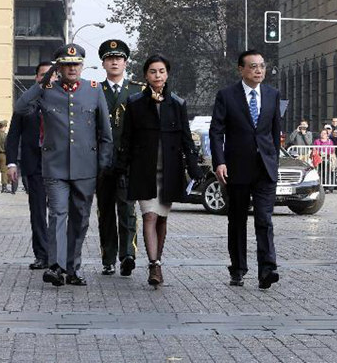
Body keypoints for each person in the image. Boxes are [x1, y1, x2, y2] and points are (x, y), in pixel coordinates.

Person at [14, 43, 113, 287]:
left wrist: (102, 165)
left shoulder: (93, 90)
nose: (72, 68)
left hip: (85, 167)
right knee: (58, 214)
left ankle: (73, 268)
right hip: (55, 166)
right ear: (59, 67)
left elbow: (105, 133)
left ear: (81, 65)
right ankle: (56, 267)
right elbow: (21, 108)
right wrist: (44, 79)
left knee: (80, 218)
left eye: (76, 64)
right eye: (67, 64)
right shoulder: (47, 90)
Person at [116, 54, 202, 287]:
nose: (157, 75)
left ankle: (158, 259)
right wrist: (121, 169)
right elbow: (127, 138)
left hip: (170, 171)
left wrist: (195, 169)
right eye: (153, 71)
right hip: (144, 171)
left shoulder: (177, 103)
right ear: (146, 75)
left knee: (161, 219)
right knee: (149, 216)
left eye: (161, 71)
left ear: (167, 74)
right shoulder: (134, 103)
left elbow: (186, 140)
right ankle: (154, 265)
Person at [209, 50, 282, 289]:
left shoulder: (273, 95)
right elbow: (216, 131)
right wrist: (219, 161)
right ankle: (238, 269)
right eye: (253, 66)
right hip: (236, 169)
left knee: (264, 219)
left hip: (265, 169)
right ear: (241, 69)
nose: (259, 70)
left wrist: (274, 160)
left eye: (262, 66)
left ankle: (267, 270)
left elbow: (273, 132)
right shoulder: (227, 96)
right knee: (237, 220)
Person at [96, 39, 145, 277]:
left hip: (128, 162)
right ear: (103, 63)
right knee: (105, 211)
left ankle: (128, 255)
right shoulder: (95, 90)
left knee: (127, 210)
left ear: (125, 62)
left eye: (119, 58)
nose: (114, 62)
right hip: (102, 163)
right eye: (109, 58)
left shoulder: (138, 90)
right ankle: (108, 258)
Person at [6, 61, 53, 270]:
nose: (47, 78)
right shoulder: (25, 103)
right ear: (36, 78)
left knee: (60, 212)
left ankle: (59, 254)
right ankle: (42, 255)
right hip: (33, 165)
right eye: (43, 75)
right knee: (38, 212)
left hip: (58, 165)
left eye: (51, 75)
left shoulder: (63, 100)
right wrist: (11, 163)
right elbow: (13, 134)